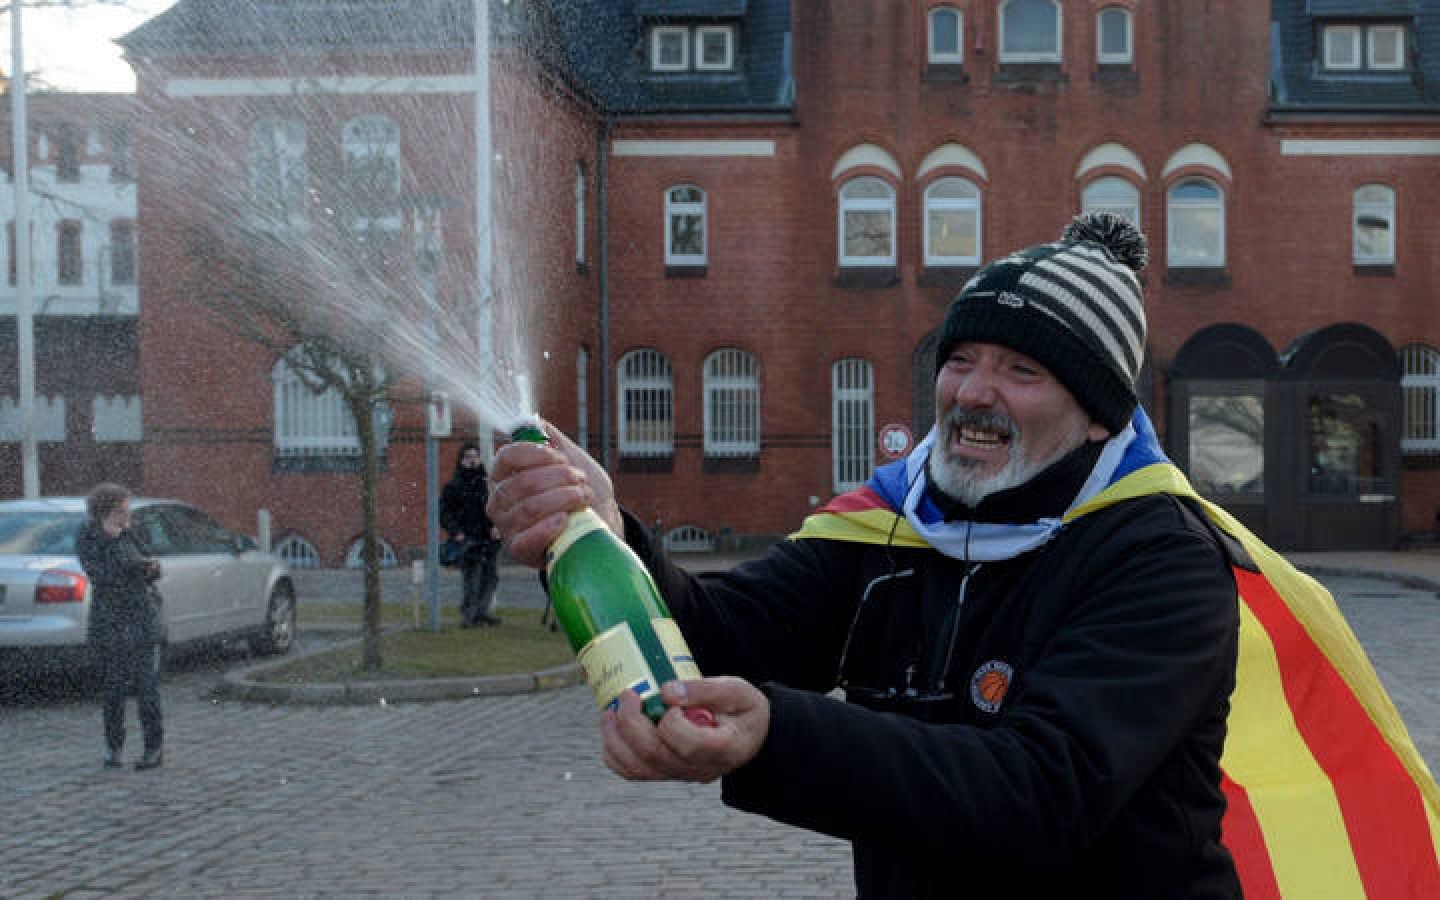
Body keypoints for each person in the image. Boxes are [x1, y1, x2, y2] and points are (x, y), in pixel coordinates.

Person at [486, 213, 1244, 898]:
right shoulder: (890, 525)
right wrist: (599, 532)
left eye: (1023, 371)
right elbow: (726, 635)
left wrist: (776, 736)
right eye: (962, 359)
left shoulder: (1163, 560)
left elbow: (1041, 791)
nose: (974, 393)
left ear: (1097, 420)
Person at [77, 483, 164, 770]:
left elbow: (151, 565)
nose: (127, 516)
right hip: (110, 619)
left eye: (128, 510)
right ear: (107, 511)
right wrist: (116, 547)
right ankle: (114, 747)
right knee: (113, 688)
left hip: (140, 616)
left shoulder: (131, 533)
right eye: (122, 511)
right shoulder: (90, 537)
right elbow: (101, 575)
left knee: (146, 686)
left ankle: (154, 747)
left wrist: (150, 567)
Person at [440, 442, 502, 628]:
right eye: (468, 457)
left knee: (490, 577)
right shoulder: (453, 486)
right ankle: (468, 616)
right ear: (461, 460)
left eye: (475, 456)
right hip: (467, 538)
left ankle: (481, 613)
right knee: (472, 579)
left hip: (487, 537)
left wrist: (495, 526)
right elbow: (445, 513)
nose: (473, 460)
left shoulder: (487, 483)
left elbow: (497, 507)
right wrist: (456, 531)